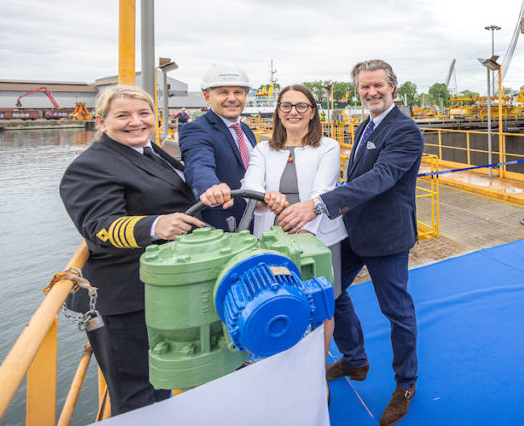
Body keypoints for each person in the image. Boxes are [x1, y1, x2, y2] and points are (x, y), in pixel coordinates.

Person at [59, 85, 207, 414]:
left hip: (156, 291)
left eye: (143, 114)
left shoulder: (148, 150)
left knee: (159, 382)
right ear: (101, 121)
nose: (135, 122)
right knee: (136, 395)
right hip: (124, 301)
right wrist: (155, 225)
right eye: (122, 115)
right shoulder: (91, 166)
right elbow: (99, 227)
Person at [313, 59, 424, 426]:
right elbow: (355, 176)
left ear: (393, 86)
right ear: (357, 90)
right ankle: (355, 359)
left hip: (387, 237)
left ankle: (405, 384)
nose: (371, 92)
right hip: (353, 231)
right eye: (365, 87)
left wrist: (321, 204)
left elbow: (382, 176)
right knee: (333, 289)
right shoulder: (366, 125)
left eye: (378, 85)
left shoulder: (405, 130)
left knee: (397, 311)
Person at [201, 84, 346, 354]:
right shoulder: (263, 150)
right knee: (275, 303)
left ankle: (318, 370)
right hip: (271, 241)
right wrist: (265, 197)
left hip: (319, 240)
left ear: (313, 112)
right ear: (278, 113)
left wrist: (304, 228)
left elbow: (322, 191)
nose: (294, 112)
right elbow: (251, 184)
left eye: (302, 106)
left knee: (323, 306)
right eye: (286, 106)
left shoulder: (328, 146)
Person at [178, 64, 256, 231]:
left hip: (255, 218)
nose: (232, 98)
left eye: (238, 92)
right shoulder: (196, 129)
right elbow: (198, 164)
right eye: (223, 92)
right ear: (207, 97)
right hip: (224, 224)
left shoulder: (246, 130)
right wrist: (211, 187)